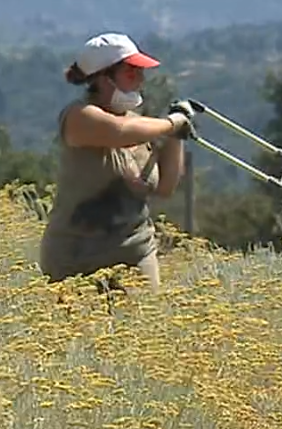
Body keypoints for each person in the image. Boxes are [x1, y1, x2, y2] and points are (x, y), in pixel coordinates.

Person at [39, 33, 194, 293]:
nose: (141, 80)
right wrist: (172, 123)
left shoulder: (141, 125)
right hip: (74, 258)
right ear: (103, 78)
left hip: (135, 252)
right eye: (131, 72)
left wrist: (176, 137)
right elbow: (119, 132)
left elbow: (165, 187)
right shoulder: (79, 116)